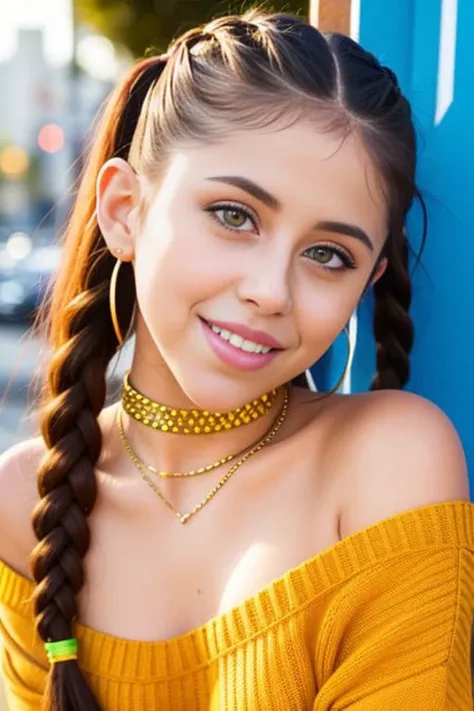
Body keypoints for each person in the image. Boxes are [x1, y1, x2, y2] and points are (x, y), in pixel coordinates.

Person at [0, 9, 473, 711]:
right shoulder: (24, 499)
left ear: (367, 280)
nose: (268, 291)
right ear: (125, 209)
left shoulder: (386, 459)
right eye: (234, 215)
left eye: (327, 255)